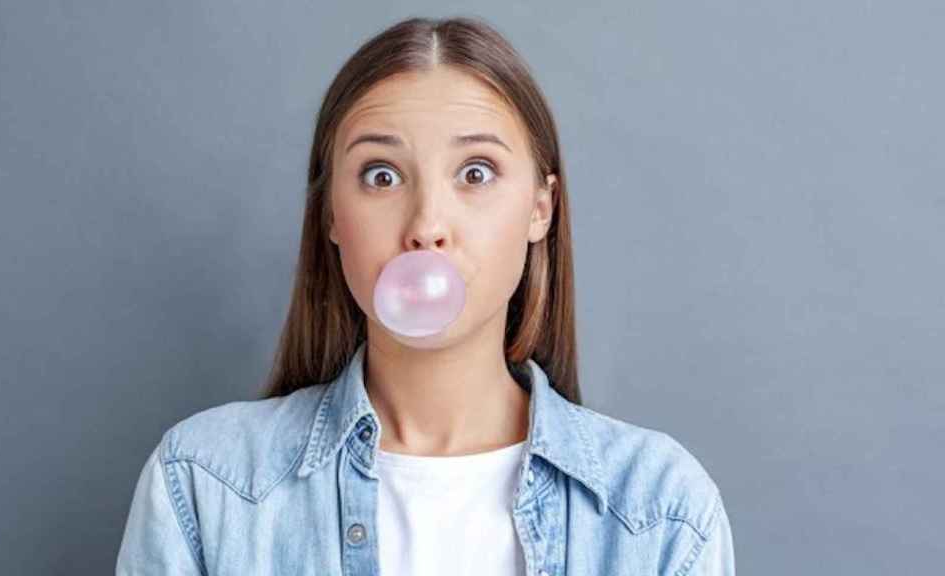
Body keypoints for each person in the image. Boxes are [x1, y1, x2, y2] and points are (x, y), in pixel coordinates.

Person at [116, 15, 734, 576]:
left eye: (476, 173)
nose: (426, 224)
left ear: (540, 209)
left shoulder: (659, 510)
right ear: (332, 214)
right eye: (382, 176)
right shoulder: (203, 483)